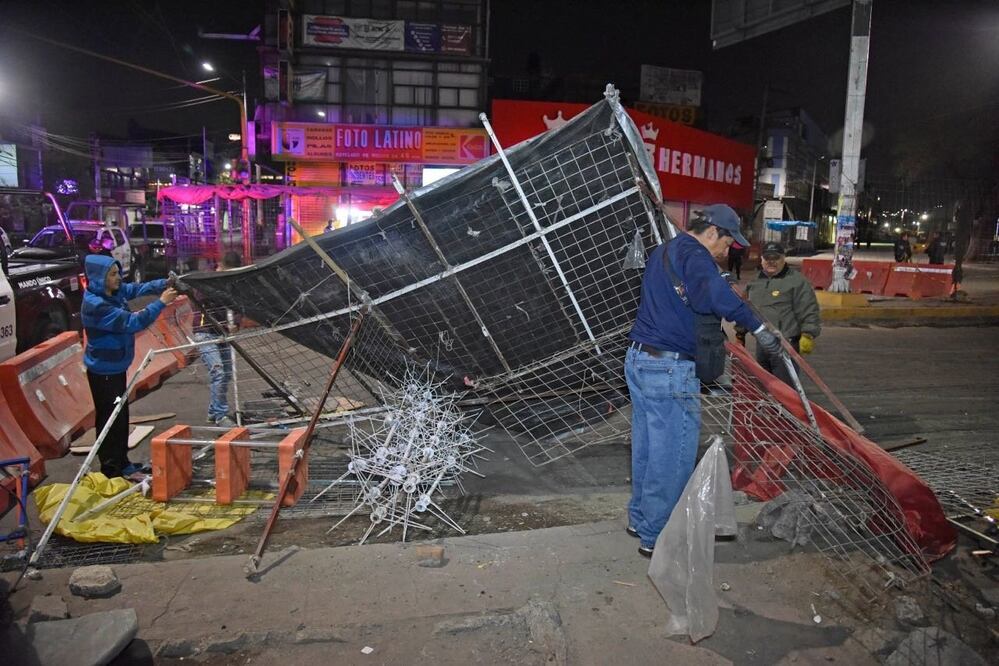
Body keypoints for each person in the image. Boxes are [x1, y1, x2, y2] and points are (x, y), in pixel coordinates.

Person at [625, 203, 781, 558]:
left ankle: (641, 519)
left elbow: (694, 296)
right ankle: (658, 536)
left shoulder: (665, 250)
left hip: (639, 359)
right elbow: (712, 294)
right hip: (669, 368)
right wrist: (759, 327)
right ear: (712, 232)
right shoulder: (694, 254)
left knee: (648, 449)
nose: (728, 252)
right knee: (673, 456)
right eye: (728, 245)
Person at [82, 255, 177, 479]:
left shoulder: (112, 292)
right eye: (113, 275)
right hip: (104, 373)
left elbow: (134, 289)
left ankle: (122, 462)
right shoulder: (97, 305)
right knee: (111, 420)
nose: (118, 279)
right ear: (99, 278)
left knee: (120, 417)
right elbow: (132, 323)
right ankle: (112, 469)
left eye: (117, 273)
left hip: (116, 368)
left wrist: (161, 284)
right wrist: (161, 302)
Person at [741, 242, 821, 387]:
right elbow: (746, 309)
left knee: (785, 389)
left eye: (775, 258)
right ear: (762, 260)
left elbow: (808, 308)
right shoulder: (755, 282)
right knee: (764, 387)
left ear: (783, 258)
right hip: (762, 343)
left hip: (786, 344)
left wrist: (808, 333)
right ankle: (769, 410)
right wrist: (740, 333)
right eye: (767, 258)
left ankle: (786, 410)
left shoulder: (796, 281)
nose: (771, 262)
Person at [193, 251, 242, 427]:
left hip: (223, 333)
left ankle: (213, 411)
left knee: (227, 373)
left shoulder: (233, 283)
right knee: (218, 371)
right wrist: (219, 285)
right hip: (205, 332)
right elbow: (200, 298)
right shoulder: (206, 280)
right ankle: (221, 415)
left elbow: (238, 306)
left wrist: (235, 322)